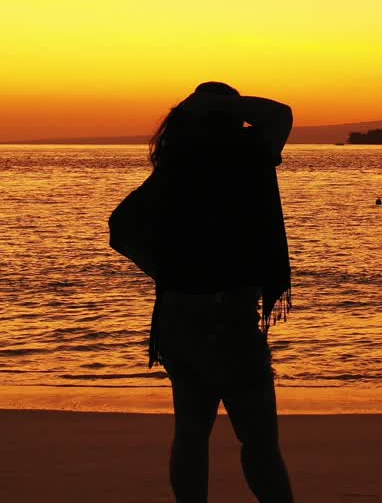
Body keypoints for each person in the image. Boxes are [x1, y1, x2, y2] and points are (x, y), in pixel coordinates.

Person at [109, 81, 295, 503]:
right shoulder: (249, 156)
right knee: (259, 440)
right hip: (229, 320)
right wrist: (220, 105)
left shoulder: (176, 169)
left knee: (192, 436)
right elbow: (279, 113)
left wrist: (162, 272)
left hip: (179, 319)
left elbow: (121, 228)